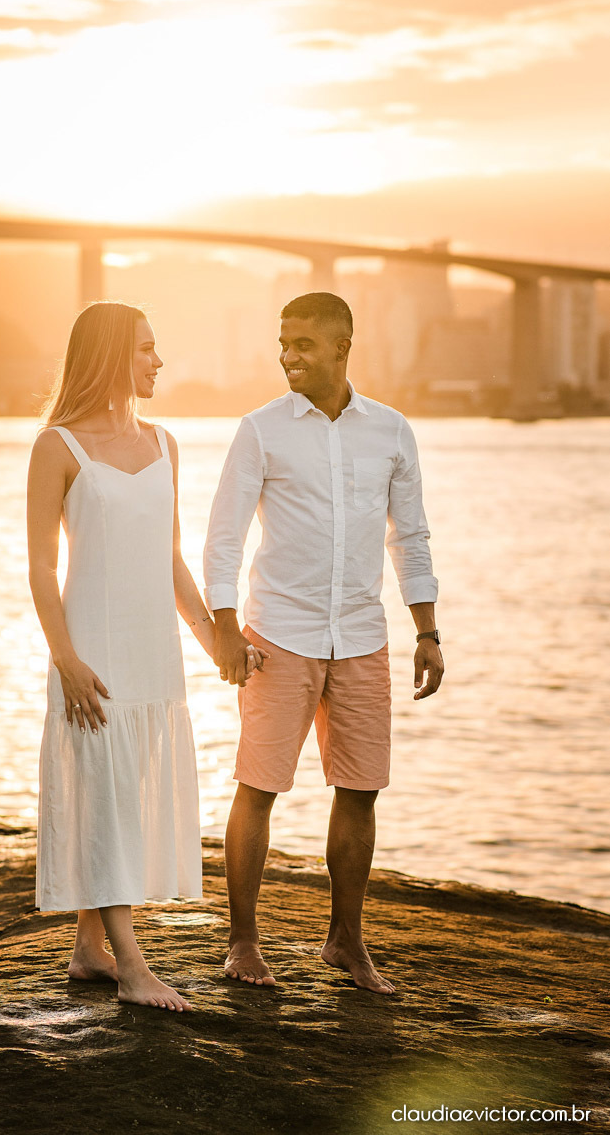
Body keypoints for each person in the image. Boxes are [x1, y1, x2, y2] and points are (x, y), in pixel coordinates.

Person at [203, 292, 444, 995]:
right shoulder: (260, 430)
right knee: (258, 787)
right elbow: (224, 534)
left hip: (362, 635)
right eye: (282, 342)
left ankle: (344, 940)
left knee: (361, 789)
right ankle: (243, 942)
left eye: (303, 343)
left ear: (341, 346)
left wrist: (425, 630)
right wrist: (224, 627)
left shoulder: (391, 431)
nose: (288, 356)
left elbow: (411, 534)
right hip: (278, 633)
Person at [27, 301, 244, 1012]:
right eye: (148, 349)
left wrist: (214, 635)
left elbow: (170, 557)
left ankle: (88, 948)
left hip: (153, 649)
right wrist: (65, 658)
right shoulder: (56, 446)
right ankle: (131, 966)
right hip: (91, 648)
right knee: (106, 796)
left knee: (127, 794)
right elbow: (38, 569)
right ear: (114, 356)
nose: (159, 362)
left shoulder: (165, 443)